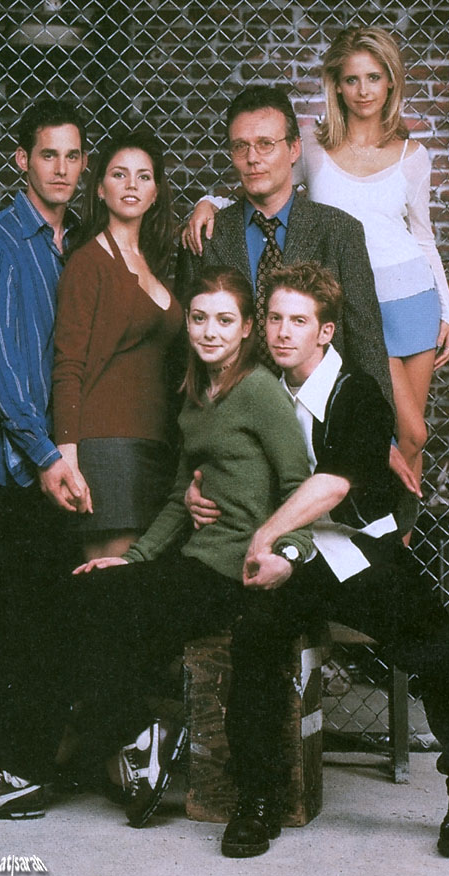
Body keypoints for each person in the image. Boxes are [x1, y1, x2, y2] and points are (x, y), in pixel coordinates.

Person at [217, 262, 449, 860]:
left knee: (438, 649)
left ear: (325, 332)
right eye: (275, 319)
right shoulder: (257, 388)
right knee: (255, 637)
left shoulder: (359, 393)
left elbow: (336, 485)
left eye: (299, 321)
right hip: (293, 554)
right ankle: (258, 797)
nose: (283, 332)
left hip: (357, 547)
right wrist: (206, 495)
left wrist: (265, 534)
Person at [61, 266, 314, 829]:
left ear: (247, 328)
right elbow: (181, 495)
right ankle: (140, 736)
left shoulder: (259, 391)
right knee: (91, 589)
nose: (209, 331)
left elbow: (299, 484)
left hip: (237, 571)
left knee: (112, 610)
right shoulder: (198, 394)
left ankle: (134, 739)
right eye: (199, 318)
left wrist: (286, 554)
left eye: (224, 320)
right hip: (199, 562)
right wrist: (132, 559)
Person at [184, 28, 449, 515]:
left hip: (406, 297)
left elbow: (422, 236)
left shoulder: (410, 159)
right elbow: (262, 178)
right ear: (337, 85)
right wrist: (210, 201)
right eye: (352, 79)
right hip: (327, 314)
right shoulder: (312, 148)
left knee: (410, 435)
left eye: (374, 77)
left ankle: (394, 531)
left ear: (391, 82)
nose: (364, 90)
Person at [0, 98, 89, 820]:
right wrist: (44, 455)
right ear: (21, 160)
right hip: (16, 469)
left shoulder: (81, 242)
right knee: (6, 629)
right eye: (47, 154)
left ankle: (24, 768)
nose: (60, 168)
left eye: (72, 155)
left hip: (65, 467)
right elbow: (4, 372)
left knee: (48, 625)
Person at [52, 129, 183, 562]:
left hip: (155, 444)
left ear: (155, 193)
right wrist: (67, 457)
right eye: (119, 174)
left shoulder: (152, 261)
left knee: (141, 583)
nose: (131, 185)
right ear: (100, 188)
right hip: (107, 446)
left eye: (143, 176)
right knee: (112, 585)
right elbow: (68, 363)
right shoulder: (88, 263)